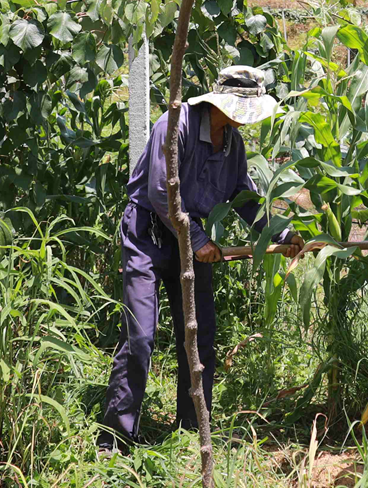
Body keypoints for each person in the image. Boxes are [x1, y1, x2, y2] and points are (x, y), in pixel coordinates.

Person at [99, 64, 302, 452]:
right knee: (140, 336)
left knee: (199, 335)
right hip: (149, 236)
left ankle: (193, 428)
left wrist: (282, 233)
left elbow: (245, 198)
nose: (243, 121)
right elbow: (161, 193)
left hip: (194, 247)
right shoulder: (176, 126)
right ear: (220, 104)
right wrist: (195, 238)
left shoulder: (232, 144)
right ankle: (115, 440)